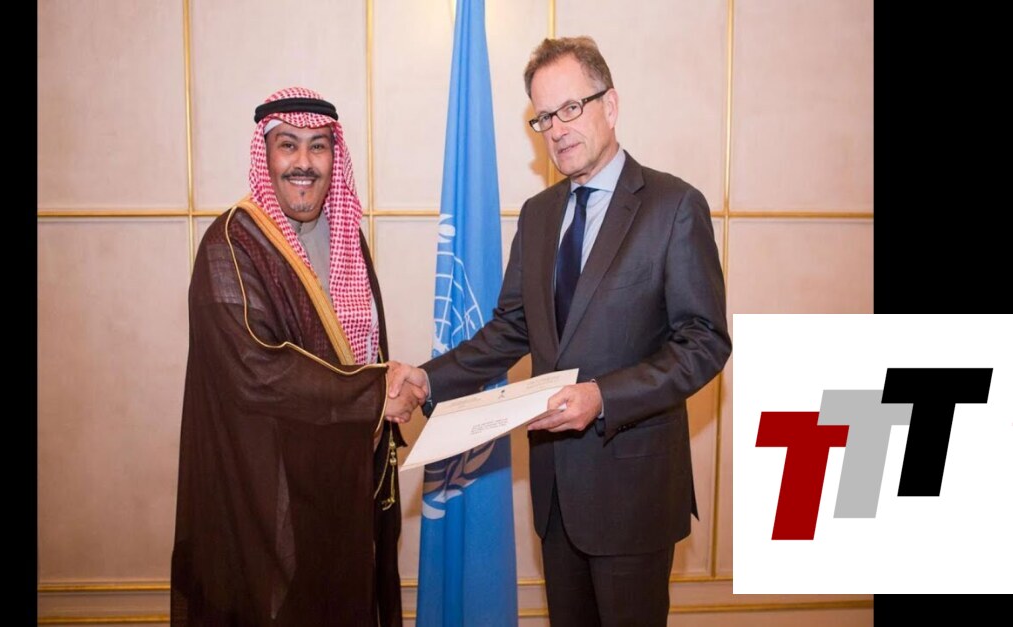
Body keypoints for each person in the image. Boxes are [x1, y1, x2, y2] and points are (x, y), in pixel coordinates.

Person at [388, 37, 731, 626]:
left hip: (633, 492)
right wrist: (426, 378)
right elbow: (511, 328)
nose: (557, 129)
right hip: (555, 496)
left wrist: (603, 397)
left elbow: (704, 342)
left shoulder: (674, 206)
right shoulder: (539, 214)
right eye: (544, 116)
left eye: (571, 108)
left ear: (610, 105)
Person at [171, 86, 423, 626]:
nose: (304, 162)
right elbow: (256, 370)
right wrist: (375, 394)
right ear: (266, 154)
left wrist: (386, 386)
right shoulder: (231, 244)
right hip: (271, 490)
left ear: (335, 156)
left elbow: (362, 345)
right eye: (288, 145)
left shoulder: (347, 236)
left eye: (318, 146)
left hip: (344, 476)